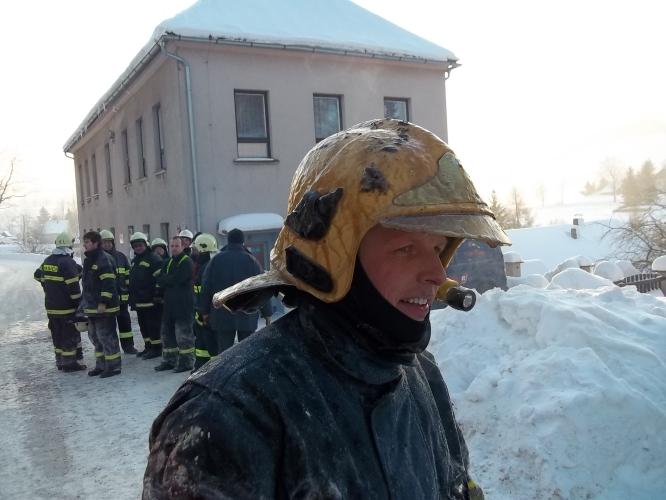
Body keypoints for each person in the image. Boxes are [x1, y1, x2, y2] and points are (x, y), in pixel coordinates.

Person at [143, 119, 510, 499]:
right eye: (406, 249)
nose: (437, 274)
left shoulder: (419, 374)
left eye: (437, 249)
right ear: (334, 258)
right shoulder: (227, 416)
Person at [199, 228, 272, 355]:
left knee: (224, 353)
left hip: (222, 313)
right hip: (247, 314)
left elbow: (206, 287)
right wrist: (267, 313)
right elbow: (262, 288)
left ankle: (224, 374)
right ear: (243, 242)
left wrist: (204, 312)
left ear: (228, 241)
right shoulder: (252, 261)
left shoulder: (216, 260)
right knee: (247, 352)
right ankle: (245, 374)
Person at [33, 232, 86, 372]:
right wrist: (78, 305)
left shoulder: (48, 260)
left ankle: (60, 362)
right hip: (66, 308)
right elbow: (74, 287)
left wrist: (48, 286)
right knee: (69, 335)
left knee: (57, 335)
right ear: (69, 246)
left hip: (51, 308)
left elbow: (37, 275)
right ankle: (69, 364)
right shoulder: (68, 262)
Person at [81, 230, 122, 378]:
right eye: (84, 242)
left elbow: (109, 283)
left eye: (87, 242)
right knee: (94, 337)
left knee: (106, 336)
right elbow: (87, 285)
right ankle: (101, 364)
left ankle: (113, 366)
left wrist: (103, 302)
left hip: (104, 308)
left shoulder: (103, 259)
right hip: (92, 307)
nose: (84, 245)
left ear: (95, 243)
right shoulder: (89, 260)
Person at [154, 236, 195, 373]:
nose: (174, 248)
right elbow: (160, 279)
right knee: (167, 334)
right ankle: (169, 360)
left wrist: (166, 279)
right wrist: (167, 279)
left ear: (183, 247)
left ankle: (186, 362)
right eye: (172, 246)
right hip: (169, 304)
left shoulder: (187, 261)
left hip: (183, 304)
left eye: (177, 246)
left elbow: (178, 279)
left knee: (183, 336)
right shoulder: (168, 262)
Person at [100, 229, 137, 354]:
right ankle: (111, 349)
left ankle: (128, 346)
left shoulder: (121, 257)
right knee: (108, 327)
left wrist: (128, 293)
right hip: (107, 300)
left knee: (125, 323)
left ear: (113, 243)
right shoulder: (98, 259)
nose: (107, 244)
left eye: (109, 242)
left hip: (122, 299)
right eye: (104, 242)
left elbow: (128, 277)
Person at [128, 232, 163, 359]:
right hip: (139, 301)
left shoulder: (153, 258)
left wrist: (157, 295)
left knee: (153, 326)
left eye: (140, 245)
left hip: (151, 301)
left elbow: (160, 279)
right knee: (143, 326)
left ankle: (157, 348)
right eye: (135, 246)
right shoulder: (135, 261)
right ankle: (148, 347)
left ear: (146, 245)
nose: (138, 248)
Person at [190, 233, 217, 371]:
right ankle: (200, 367)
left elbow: (206, 293)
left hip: (206, 314)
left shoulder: (207, 267)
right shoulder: (202, 266)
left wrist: (204, 313)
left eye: (195, 249)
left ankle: (211, 370)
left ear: (202, 249)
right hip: (200, 313)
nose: (193, 252)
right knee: (201, 344)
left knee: (210, 344)